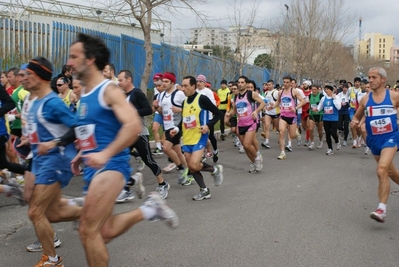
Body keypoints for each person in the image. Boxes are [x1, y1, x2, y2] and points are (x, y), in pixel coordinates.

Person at [66, 33, 178, 266]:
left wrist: (105, 154)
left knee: (87, 230)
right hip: (93, 168)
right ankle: (149, 209)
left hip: (111, 168)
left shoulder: (108, 90)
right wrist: (81, 154)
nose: (69, 62)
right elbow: (94, 131)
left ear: (90, 59)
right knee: (103, 232)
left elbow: (133, 125)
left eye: (74, 56)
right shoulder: (85, 93)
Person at [19, 57, 82, 267]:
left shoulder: (53, 102)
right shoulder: (36, 101)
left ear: (39, 76)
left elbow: (77, 127)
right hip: (41, 160)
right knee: (52, 213)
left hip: (56, 160)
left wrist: (55, 143)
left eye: (28, 74)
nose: (24, 78)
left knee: (35, 212)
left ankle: (53, 260)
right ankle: (91, 209)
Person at [351, 67, 399, 223]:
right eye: (369, 77)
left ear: (383, 79)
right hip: (373, 140)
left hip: (390, 138)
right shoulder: (365, 99)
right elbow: (357, 117)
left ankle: (381, 209)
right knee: (390, 173)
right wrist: (356, 123)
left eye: (374, 77)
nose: (370, 80)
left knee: (381, 170)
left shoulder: (393, 96)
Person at [117, 69, 168, 200]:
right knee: (121, 159)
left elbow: (147, 109)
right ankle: (127, 189)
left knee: (149, 160)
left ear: (129, 80)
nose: (119, 82)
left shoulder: (137, 93)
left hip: (139, 133)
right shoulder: (122, 95)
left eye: (121, 80)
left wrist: (132, 112)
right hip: (126, 133)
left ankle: (162, 184)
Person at [179, 75, 223, 200]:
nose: (183, 88)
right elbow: (184, 120)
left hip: (199, 136)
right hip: (187, 138)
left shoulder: (202, 99)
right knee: (191, 167)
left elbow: (218, 113)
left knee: (194, 164)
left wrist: (208, 125)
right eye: (182, 85)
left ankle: (214, 170)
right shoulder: (184, 102)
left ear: (193, 86)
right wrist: (177, 130)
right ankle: (204, 190)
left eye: (185, 86)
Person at [153, 72, 189, 184]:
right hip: (167, 125)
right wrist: (156, 107)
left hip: (176, 126)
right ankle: (190, 171)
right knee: (178, 151)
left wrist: (180, 110)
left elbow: (190, 108)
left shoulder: (179, 94)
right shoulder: (162, 95)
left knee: (166, 148)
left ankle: (181, 169)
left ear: (172, 83)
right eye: (163, 81)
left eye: (166, 82)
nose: (163, 84)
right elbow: (161, 112)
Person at [227, 76, 265, 172]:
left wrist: (256, 111)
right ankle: (255, 163)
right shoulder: (236, 96)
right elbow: (235, 110)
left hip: (251, 123)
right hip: (241, 124)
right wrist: (229, 114)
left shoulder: (251, 94)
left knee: (247, 144)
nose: (240, 84)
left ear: (246, 84)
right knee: (245, 147)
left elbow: (263, 103)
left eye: (242, 82)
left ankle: (257, 158)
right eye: (239, 82)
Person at [269, 76, 306, 160]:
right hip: (283, 116)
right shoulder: (280, 92)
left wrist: (296, 108)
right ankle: (282, 152)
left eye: (287, 82)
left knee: (292, 135)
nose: (285, 84)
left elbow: (303, 101)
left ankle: (296, 134)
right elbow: (278, 101)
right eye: (284, 82)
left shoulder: (294, 91)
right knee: (281, 132)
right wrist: (273, 106)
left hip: (292, 116)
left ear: (290, 83)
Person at [313, 85, 342, 155]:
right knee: (327, 134)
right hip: (326, 118)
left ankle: (337, 141)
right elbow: (320, 106)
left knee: (333, 133)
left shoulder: (337, 97)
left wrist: (334, 98)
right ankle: (330, 149)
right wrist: (316, 109)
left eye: (328, 89)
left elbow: (339, 107)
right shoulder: (323, 98)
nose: (326, 91)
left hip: (334, 118)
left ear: (331, 90)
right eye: (325, 89)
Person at [151, 73, 164, 155]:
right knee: (154, 129)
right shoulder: (155, 90)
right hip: (158, 111)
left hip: (167, 113)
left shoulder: (167, 87)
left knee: (166, 138)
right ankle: (158, 148)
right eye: (154, 80)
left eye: (156, 80)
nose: (155, 82)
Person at [307, 84, 324, 150]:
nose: (313, 91)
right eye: (312, 89)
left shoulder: (321, 96)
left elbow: (323, 105)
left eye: (315, 89)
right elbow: (309, 104)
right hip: (312, 114)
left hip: (320, 114)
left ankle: (320, 141)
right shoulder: (309, 96)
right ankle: (312, 143)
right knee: (310, 128)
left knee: (319, 131)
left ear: (318, 89)